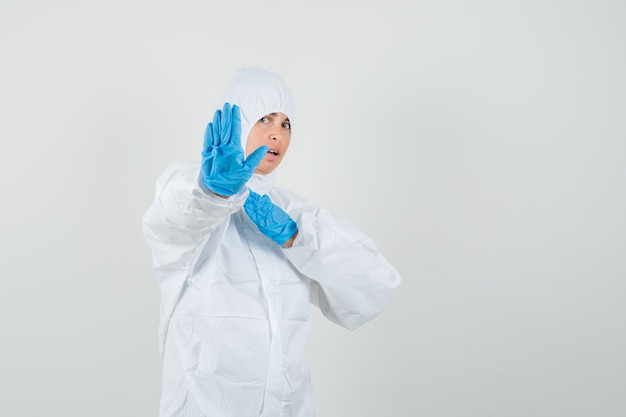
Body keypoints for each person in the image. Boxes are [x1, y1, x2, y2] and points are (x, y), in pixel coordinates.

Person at [142, 66, 401, 417]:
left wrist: (297, 237)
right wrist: (213, 192)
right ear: (238, 121)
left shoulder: (293, 212)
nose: (277, 135)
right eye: (264, 119)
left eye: (286, 123)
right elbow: (172, 220)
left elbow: (372, 288)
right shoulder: (190, 189)